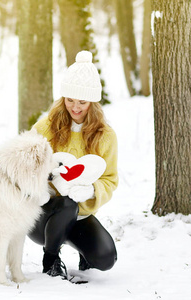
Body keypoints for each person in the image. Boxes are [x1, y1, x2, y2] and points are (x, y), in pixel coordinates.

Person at [29, 50, 118, 279]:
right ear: (63, 98)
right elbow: (26, 167)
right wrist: (42, 184)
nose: (75, 107)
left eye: (82, 102)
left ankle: (80, 248)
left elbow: (109, 179)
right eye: (70, 100)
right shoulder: (45, 127)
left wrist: (91, 190)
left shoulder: (105, 136)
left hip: (80, 214)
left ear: (93, 102)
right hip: (44, 215)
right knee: (66, 204)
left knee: (106, 258)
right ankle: (50, 259)